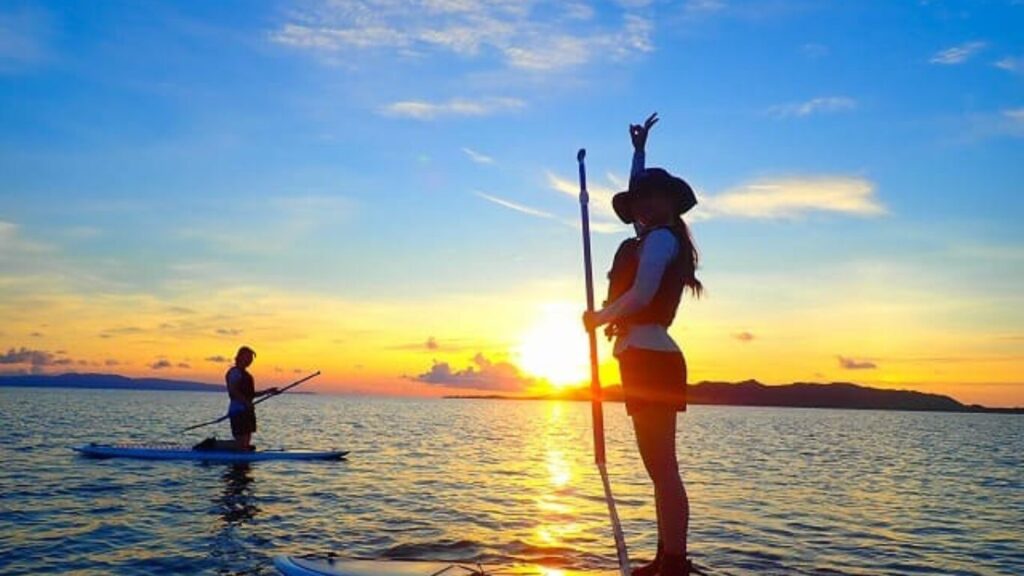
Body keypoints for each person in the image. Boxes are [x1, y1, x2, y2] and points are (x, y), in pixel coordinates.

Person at [583, 114, 702, 576]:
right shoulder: (651, 234)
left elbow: (643, 295)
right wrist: (638, 152)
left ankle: (673, 560)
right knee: (657, 467)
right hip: (641, 358)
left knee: (662, 468)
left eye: (652, 197)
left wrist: (599, 319)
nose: (642, 205)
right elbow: (640, 197)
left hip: (653, 360)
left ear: (668, 203)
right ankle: (665, 557)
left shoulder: (659, 244)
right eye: (640, 200)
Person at [225, 346, 278, 451]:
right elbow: (233, 391)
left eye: (251, 359)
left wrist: (268, 391)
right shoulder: (235, 372)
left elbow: (251, 395)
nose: (250, 361)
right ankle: (214, 447)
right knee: (241, 443)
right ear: (240, 357)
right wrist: (245, 403)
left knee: (246, 442)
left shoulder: (247, 375)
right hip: (238, 411)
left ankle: (244, 455)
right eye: (248, 358)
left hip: (247, 411)